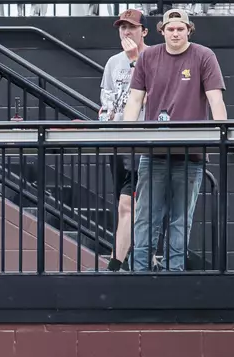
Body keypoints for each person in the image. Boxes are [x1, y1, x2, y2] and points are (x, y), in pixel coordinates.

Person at [121, 9, 227, 272]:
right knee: (146, 217)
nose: (176, 33)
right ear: (162, 31)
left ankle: (173, 272)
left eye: (181, 28)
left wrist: (222, 133)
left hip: (192, 154)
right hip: (153, 151)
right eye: (171, 28)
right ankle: (140, 271)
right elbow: (135, 99)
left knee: (181, 219)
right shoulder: (148, 57)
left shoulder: (204, 55)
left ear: (189, 30)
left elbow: (216, 99)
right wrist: (124, 132)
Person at [99, 9, 149, 271]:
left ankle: (120, 261)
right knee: (123, 205)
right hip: (117, 140)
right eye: (122, 27)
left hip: (143, 141)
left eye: (131, 27)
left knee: (129, 203)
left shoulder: (153, 57)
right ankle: (121, 259)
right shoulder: (112, 62)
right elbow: (106, 97)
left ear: (144, 31)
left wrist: (135, 60)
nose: (126, 32)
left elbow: (158, 95)